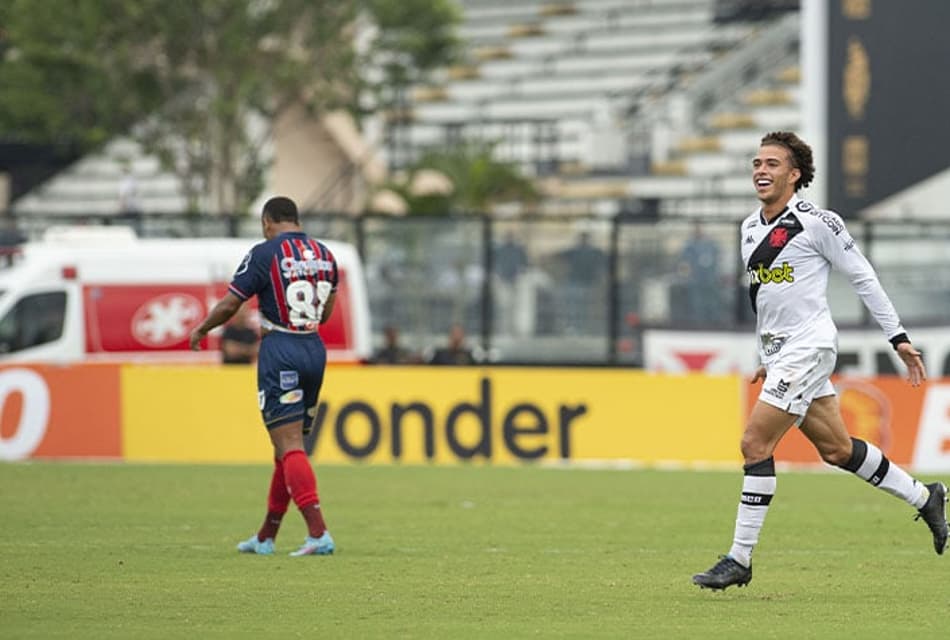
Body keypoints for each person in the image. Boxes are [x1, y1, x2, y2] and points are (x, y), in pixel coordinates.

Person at [692, 131, 947, 591]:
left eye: (772, 163)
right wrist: (765, 354)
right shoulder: (749, 228)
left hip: (810, 348)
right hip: (784, 353)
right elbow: (765, 298)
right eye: (756, 163)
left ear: (794, 174)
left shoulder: (818, 223)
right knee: (837, 450)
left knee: (754, 445)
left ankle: (739, 558)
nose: (761, 170)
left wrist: (899, 338)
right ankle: (925, 496)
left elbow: (863, 277)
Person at [189, 196, 337, 557]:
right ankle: (266, 536)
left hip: (281, 349)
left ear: (267, 222)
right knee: (285, 449)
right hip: (314, 348)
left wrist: (202, 329)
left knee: (290, 446)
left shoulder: (265, 252)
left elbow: (230, 303)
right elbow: (327, 311)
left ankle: (319, 533)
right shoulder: (325, 254)